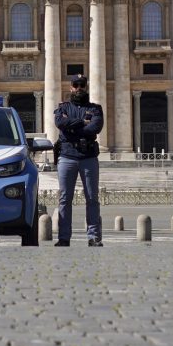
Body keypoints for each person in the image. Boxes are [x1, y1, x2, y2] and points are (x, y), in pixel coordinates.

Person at [52, 70, 104, 247]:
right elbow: (60, 124)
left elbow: (95, 129)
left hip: (88, 157)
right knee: (65, 198)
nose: (79, 88)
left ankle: (94, 237)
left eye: (82, 85)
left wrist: (72, 125)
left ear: (86, 86)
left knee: (92, 198)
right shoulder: (63, 108)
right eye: (76, 85)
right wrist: (83, 122)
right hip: (67, 157)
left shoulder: (95, 108)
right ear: (71, 87)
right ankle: (64, 238)